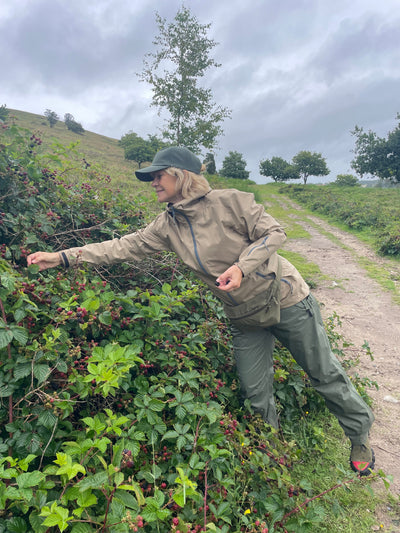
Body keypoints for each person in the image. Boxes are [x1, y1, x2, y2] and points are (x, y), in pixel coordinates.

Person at [27, 146, 375, 475]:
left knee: (323, 374)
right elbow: (120, 248)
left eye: (157, 175)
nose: (152, 183)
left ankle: (359, 437)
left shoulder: (230, 202)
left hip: (285, 300)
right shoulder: (167, 225)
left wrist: (242, 267)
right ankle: (273, 453)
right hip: (242, 315)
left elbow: (274, 233)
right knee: (256, 392)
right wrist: (61, 258)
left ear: (181, 176)